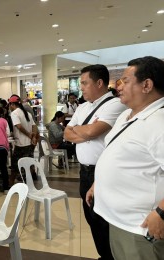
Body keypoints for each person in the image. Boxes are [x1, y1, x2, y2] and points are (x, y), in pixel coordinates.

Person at [87, 56, 164, 259]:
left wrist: (161, 213)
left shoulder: (159, 123)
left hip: (140, 226)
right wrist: (98, 183)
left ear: (147, 85)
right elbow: (116, 152)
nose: (118, 86)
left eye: (125, 81)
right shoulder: (126, 115)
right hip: (118, 220)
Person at [64, 64, 127, 260]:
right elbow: (67, 133)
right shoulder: (82, 106)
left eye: (84, 83)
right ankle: (104, 255)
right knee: (91, 217)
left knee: (104, 220)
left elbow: (92, 132)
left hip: (103, 173)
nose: (80, 87)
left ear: (99, 83)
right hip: (84, 173)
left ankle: (111, 256)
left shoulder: (115, 104)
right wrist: (84, 132)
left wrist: (81, 131)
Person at [8, 95, 38, 185]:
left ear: (12, 104)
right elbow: (34, 126)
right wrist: (33, 137)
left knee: (14, 166)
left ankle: (10, 184)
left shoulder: (14, 113)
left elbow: (19, 126)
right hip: (29, 143)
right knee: (28, 163)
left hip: (21, 144)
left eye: (10, 105)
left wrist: (29, 135)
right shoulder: (27, 113)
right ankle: (30, 183)